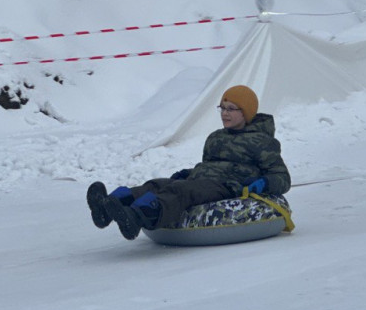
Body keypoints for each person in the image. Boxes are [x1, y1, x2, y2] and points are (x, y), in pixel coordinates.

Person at [87, 84, 291, 240]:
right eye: (222, 108)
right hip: (204, 180)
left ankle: (139, 216)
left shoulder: (263, 142)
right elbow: (211, 165)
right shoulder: (216, 137)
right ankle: (111, 205)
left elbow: (282, 177)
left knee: (182, 191)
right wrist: (188, 173)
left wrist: (264, 183)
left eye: (231, 109)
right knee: (159, 184)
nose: (225, 113)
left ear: (245, 112)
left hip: (228, 186)